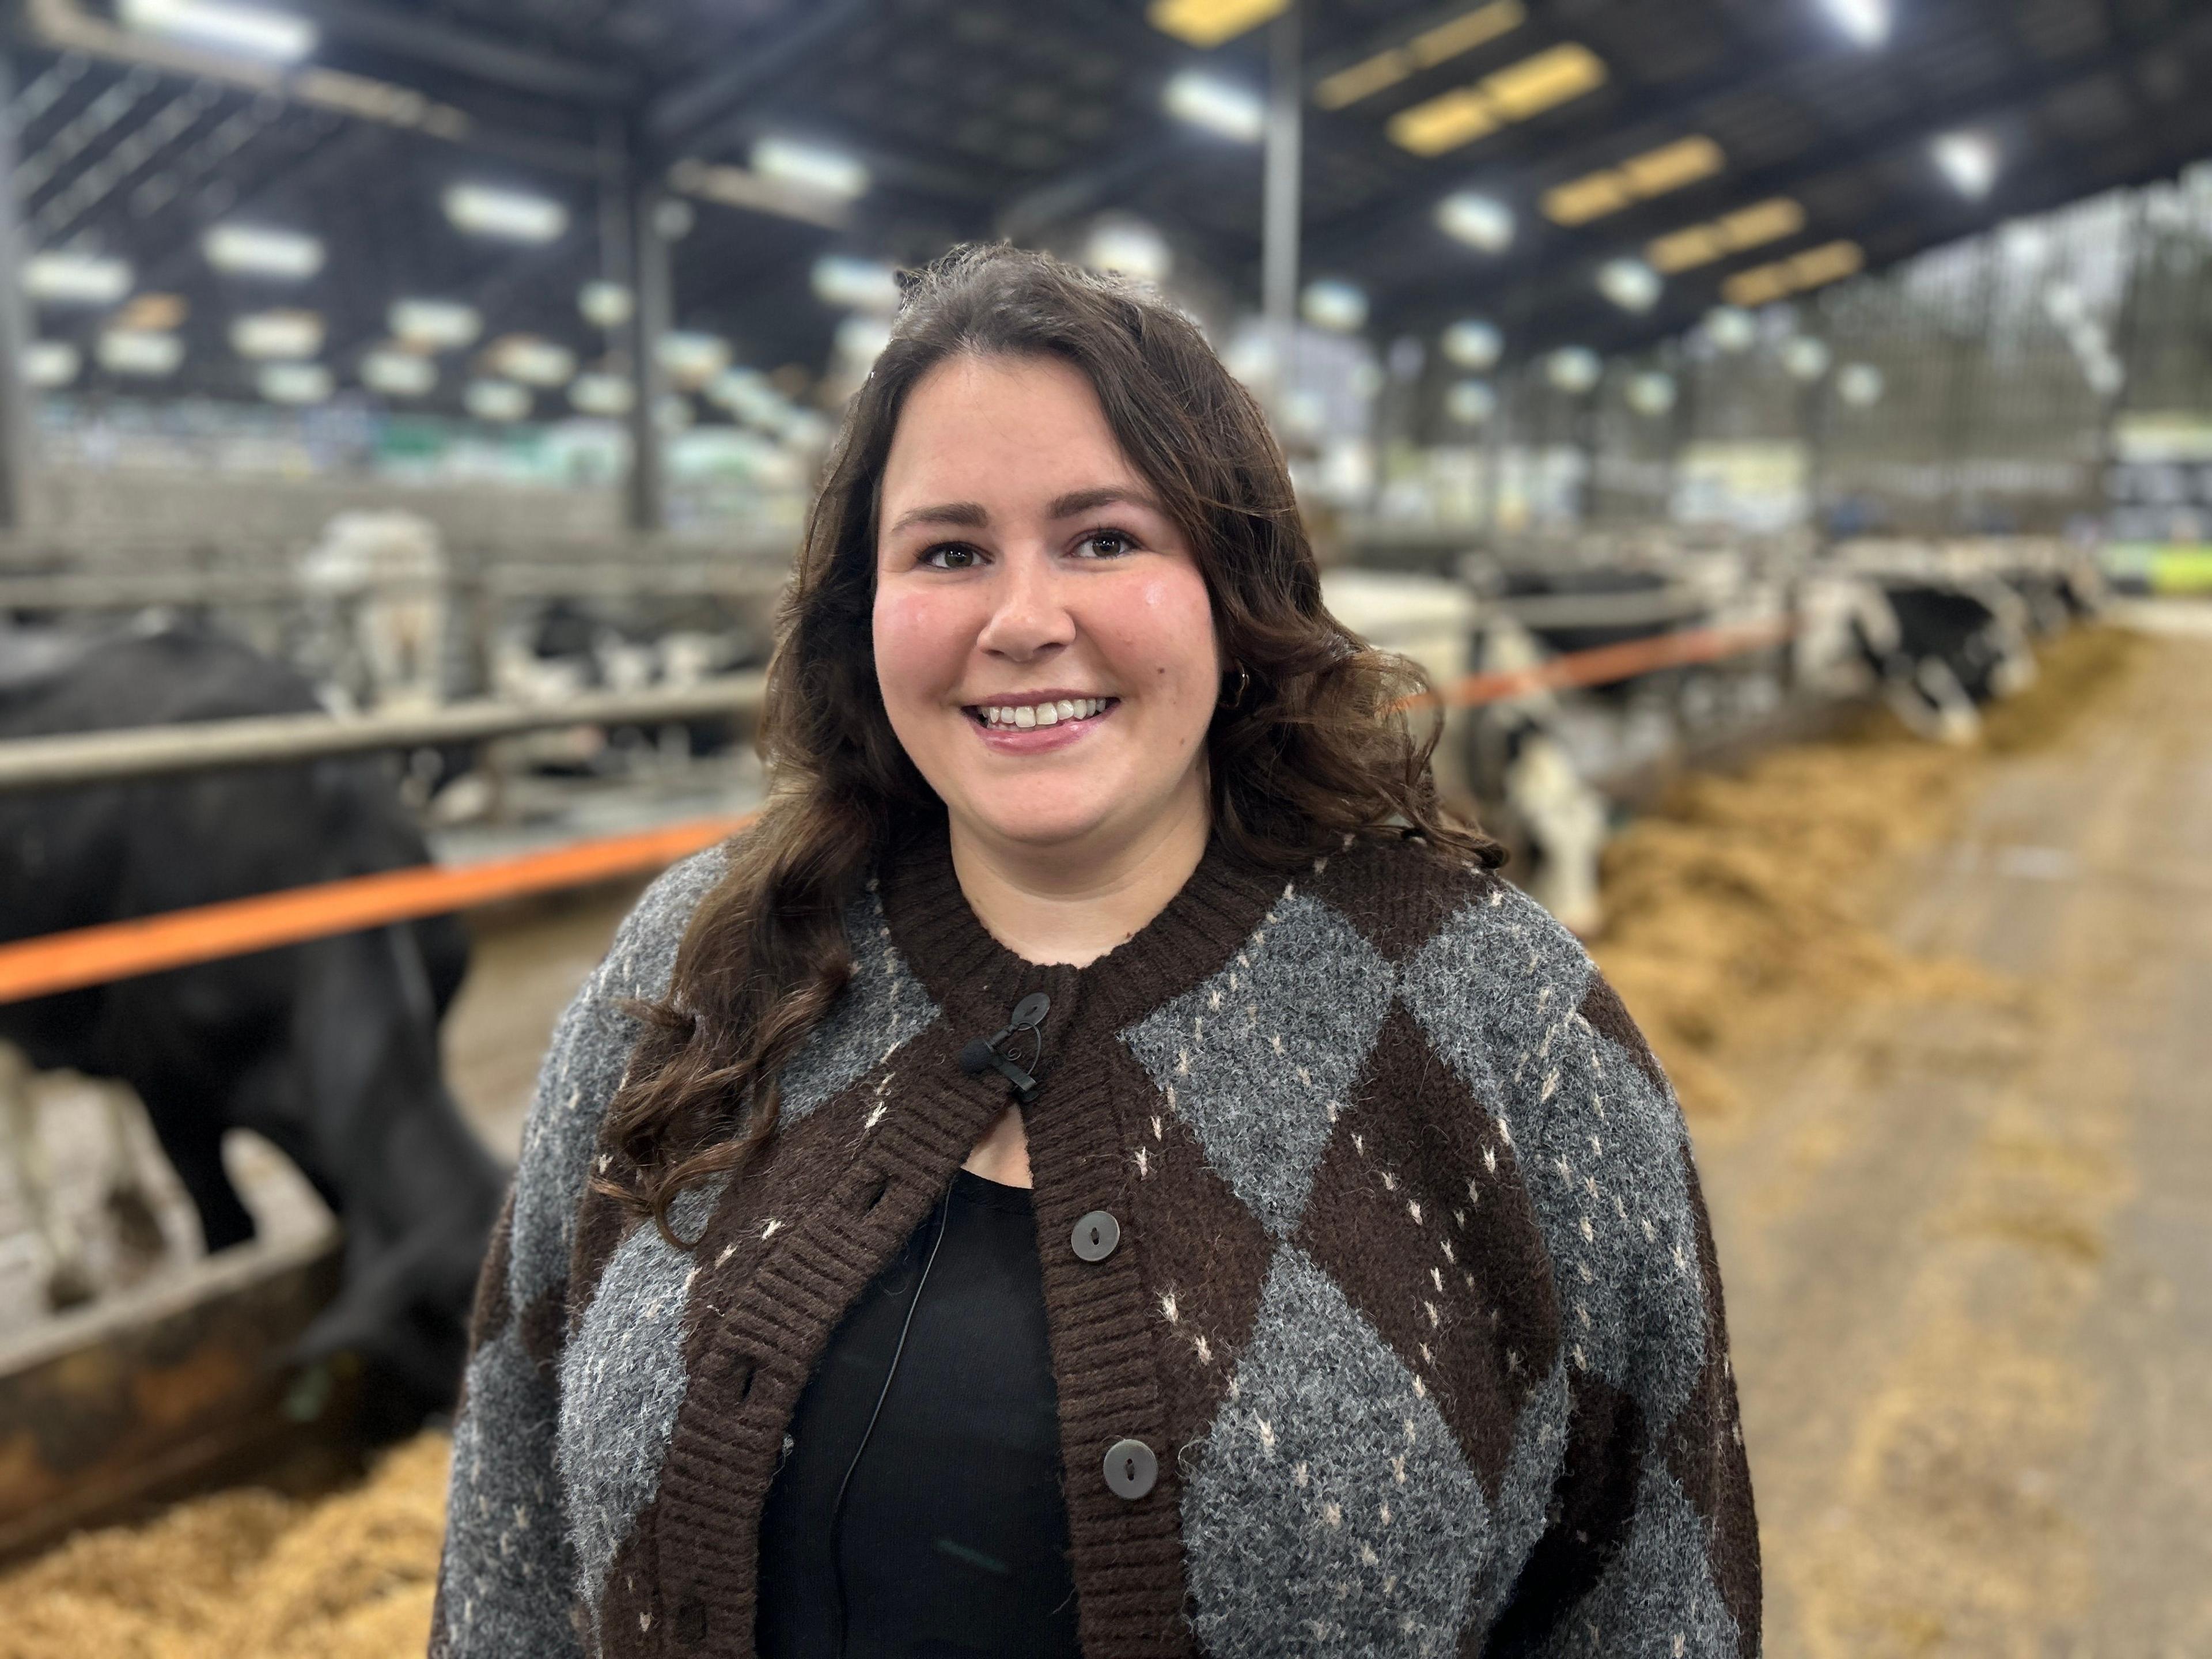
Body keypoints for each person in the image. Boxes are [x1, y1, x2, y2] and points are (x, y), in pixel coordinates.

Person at [430, 244, 1759, 1659]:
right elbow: (510, 1528)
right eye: (948, 550)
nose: (1022, 621)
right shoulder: (704, 967)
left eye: (1104, 538)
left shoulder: (1511, 1038)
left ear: (1230, 584)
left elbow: (1658, 1592)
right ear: (858, 609)